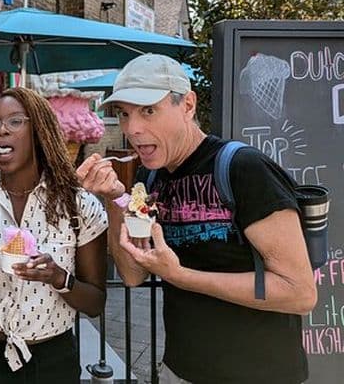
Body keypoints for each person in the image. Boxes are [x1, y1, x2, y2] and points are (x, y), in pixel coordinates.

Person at [77, 54, 317, 384]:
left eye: (148, 110)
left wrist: (180, 276)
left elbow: (300, 293)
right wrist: (115, 198)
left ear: (187, 105)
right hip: (179, 370)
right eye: (124, 113)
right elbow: (132, 275)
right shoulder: (151, 178)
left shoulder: (244, 168)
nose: (132, 128)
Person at [0, 86, 108, 383]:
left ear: (39, 131)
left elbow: (95, 303)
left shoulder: (79, 205)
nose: (2, 130)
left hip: (53, 361)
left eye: (15, 121)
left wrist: (59, 278)